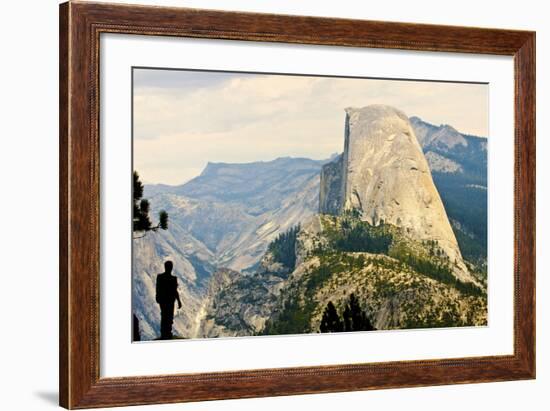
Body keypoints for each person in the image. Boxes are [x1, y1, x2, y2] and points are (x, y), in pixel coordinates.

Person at [155, 260, 182, 339]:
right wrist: (179, 301)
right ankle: (167, 334)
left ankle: (165, 334)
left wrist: (157, 297)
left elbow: (158, 288)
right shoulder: (173, 279)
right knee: (168, 317)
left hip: (163, 301)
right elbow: (175, 291)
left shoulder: (160, 277)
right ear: (171, 268)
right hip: (169, 301)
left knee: (165, 316)